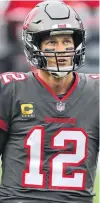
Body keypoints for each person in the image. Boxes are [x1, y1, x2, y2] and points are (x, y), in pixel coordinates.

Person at [0, 1, 99, 203]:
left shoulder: (95, 92)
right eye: (52, 42)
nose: (61, 50)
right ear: (35, 46)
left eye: (66, 41)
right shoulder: (10, 89)